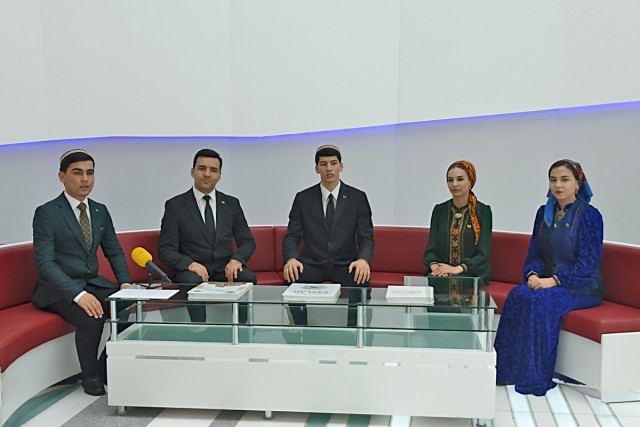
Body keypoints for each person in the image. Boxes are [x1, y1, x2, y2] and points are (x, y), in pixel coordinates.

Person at [494, 159, 604, 396]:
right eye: (553, 180)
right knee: (517, 295)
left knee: (541, 301)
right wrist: (533, 274)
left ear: (578, 184)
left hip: (582, 287)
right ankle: (505, 371)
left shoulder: (590, 216)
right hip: (547, 282)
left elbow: (588, 265)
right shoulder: (543, 213)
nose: (558, 185)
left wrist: (553, 281)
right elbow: (535, 253)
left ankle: (535, 378)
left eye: (565, 179)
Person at [32, 149, 131, 396]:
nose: (85, 179)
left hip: (91, 282)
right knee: (91, 317)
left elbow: (114, 251)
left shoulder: (100, 211)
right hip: (57, 289)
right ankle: (91, 377)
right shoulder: (47, 213)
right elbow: (45, 263)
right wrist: (78, 295)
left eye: (90, 173)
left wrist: (125, 283)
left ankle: (104, 366)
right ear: (62, 177)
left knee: (127, 305)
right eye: (77, 173)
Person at [158, 149, 256, 322]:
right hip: (191, 270)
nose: (207, 174)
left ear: (219, 176)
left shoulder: (231, 204)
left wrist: (237, 260)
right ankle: (199, 329)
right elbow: (165, 249)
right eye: (202, 168)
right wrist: (189, 264)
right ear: (192, 172)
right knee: (191, 280)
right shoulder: (175, 205)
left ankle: (242, 327)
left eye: (213, 170)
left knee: (247, 277)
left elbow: (248, 241)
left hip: (224, 268)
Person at [283, 145, 374, 326]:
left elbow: (366, 236)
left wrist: (363, 259)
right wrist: (291, 259)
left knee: (361, 279)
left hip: (346, 263)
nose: (329, 168)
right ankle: (299, 329)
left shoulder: (357, 197)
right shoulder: (303, 198)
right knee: (292, 275)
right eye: (323, 164)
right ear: (317, 168)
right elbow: (292, 235)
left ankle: (355, 331)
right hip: (312, 262)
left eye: (333, 163)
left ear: (341, 166)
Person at [423, 160, 492, 286]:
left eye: (460, 179)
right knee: (433, 280)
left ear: (470, 182)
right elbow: (431, 249)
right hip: (443, 272)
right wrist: (435, 267)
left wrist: (457, 269)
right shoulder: (439, 210)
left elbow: (483, 253)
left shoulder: (483, 211)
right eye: (450, 180)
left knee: (455, 282)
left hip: (471, 272)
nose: (454, 184)